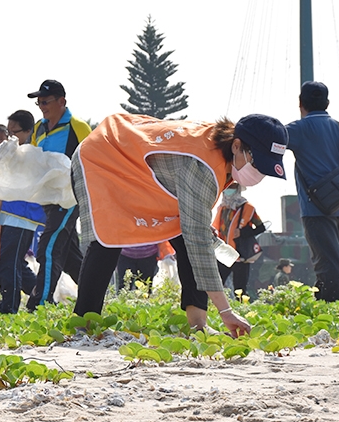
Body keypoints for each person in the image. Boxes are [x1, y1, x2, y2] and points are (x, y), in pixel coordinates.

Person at [72, 113, 289, 337]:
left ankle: (198, 324)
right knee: (110, 235)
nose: (259, 174)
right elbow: (199, 241)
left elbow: (194, 232)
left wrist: (200, 229)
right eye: (258, 164)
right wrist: (226, 311)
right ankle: (84, 322)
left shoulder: (223, 156)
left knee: (186, 239)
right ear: (236, 146)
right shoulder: (203, 165)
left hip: (139, 170)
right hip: (101, 155)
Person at [286, 81, 339, 302]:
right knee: (331, 259)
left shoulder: (297, 129)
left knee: (327, 263)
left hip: (316, 206)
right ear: (327, 103)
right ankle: (322, 306)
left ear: (301, 103)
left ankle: (334, 310)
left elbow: (271, 142)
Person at [25, 80, 92, 311]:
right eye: (39, 102)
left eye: (45, 101)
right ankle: (94, 295)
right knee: (70, 256)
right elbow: (33, 160)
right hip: (48, 200)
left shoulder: (78, 127)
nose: (42, 106)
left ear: (61, 101)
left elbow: (92, 162)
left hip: (69, 199)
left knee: (49, 248)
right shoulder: (38, 128)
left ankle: (40, 303)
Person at [0, 110, 43, 313]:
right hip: (11, 214)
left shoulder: (31, 154)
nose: (9, 138)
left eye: (13, 133)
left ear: (28, 131)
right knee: (15, 262)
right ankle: (40, 297)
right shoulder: (14, 153)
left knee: (9, 263)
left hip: (22, 215)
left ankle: (9, 308)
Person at [212, 181, 266, 298]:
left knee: (240, 289)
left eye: (231, 187)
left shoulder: (248, 207)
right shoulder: (222, 208)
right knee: (216, 285)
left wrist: (243, 232)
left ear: (238, 189)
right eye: (226, 187)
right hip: (224, 254)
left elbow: (261, 227)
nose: (228, 189)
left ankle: (241, 312)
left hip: (240, 254)